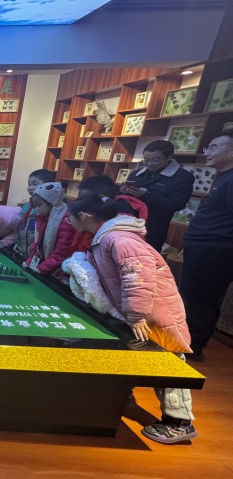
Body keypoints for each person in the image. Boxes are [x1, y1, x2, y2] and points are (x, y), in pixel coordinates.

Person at [68, 194, 197, 444]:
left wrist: (136, 314)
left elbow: (137, 276)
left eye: (70, 217)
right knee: (140, 356)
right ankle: (122, 398)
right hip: (138, 312)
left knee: (167, 362)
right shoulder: (106, 236)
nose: (69, 221)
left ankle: (180, 423)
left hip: (153, 313)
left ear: (83, 216)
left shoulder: (118, 238)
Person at [181, 129, 233, 362]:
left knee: (201, 299)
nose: (207, 152)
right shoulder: (223, 176)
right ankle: (185, 340)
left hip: (215, 250)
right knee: (192, 295)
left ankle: (193, 347)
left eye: (213, 147)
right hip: (203, 247)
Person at [119, 140, 194, 252]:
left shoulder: (182, 177)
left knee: (144, 259)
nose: (149, 163)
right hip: (127, 225)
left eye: (155, 160)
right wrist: (122, 192)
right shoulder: (136, 174)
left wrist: (146, 195)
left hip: (153, 230)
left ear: (169, 157)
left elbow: (176, 204)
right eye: (146, 159)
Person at [23, 182, 76, 275]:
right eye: (36, 205)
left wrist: (42, 268)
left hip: (60, 271)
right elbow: (37, 244)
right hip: (47, 266)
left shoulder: (66, 221)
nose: (37, 209)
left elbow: (61, 252)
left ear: (52, 203)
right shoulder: (43, 217)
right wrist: (30, 261)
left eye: (39, 205)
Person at [16, 169, 54, 259]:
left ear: (47, 185)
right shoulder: (26, 205)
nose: (30, 188)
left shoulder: (50, 207)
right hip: (25, 253)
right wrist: (17, 244)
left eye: (34, 184)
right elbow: (21, 228)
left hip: (40, 256)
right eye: (29, 184)